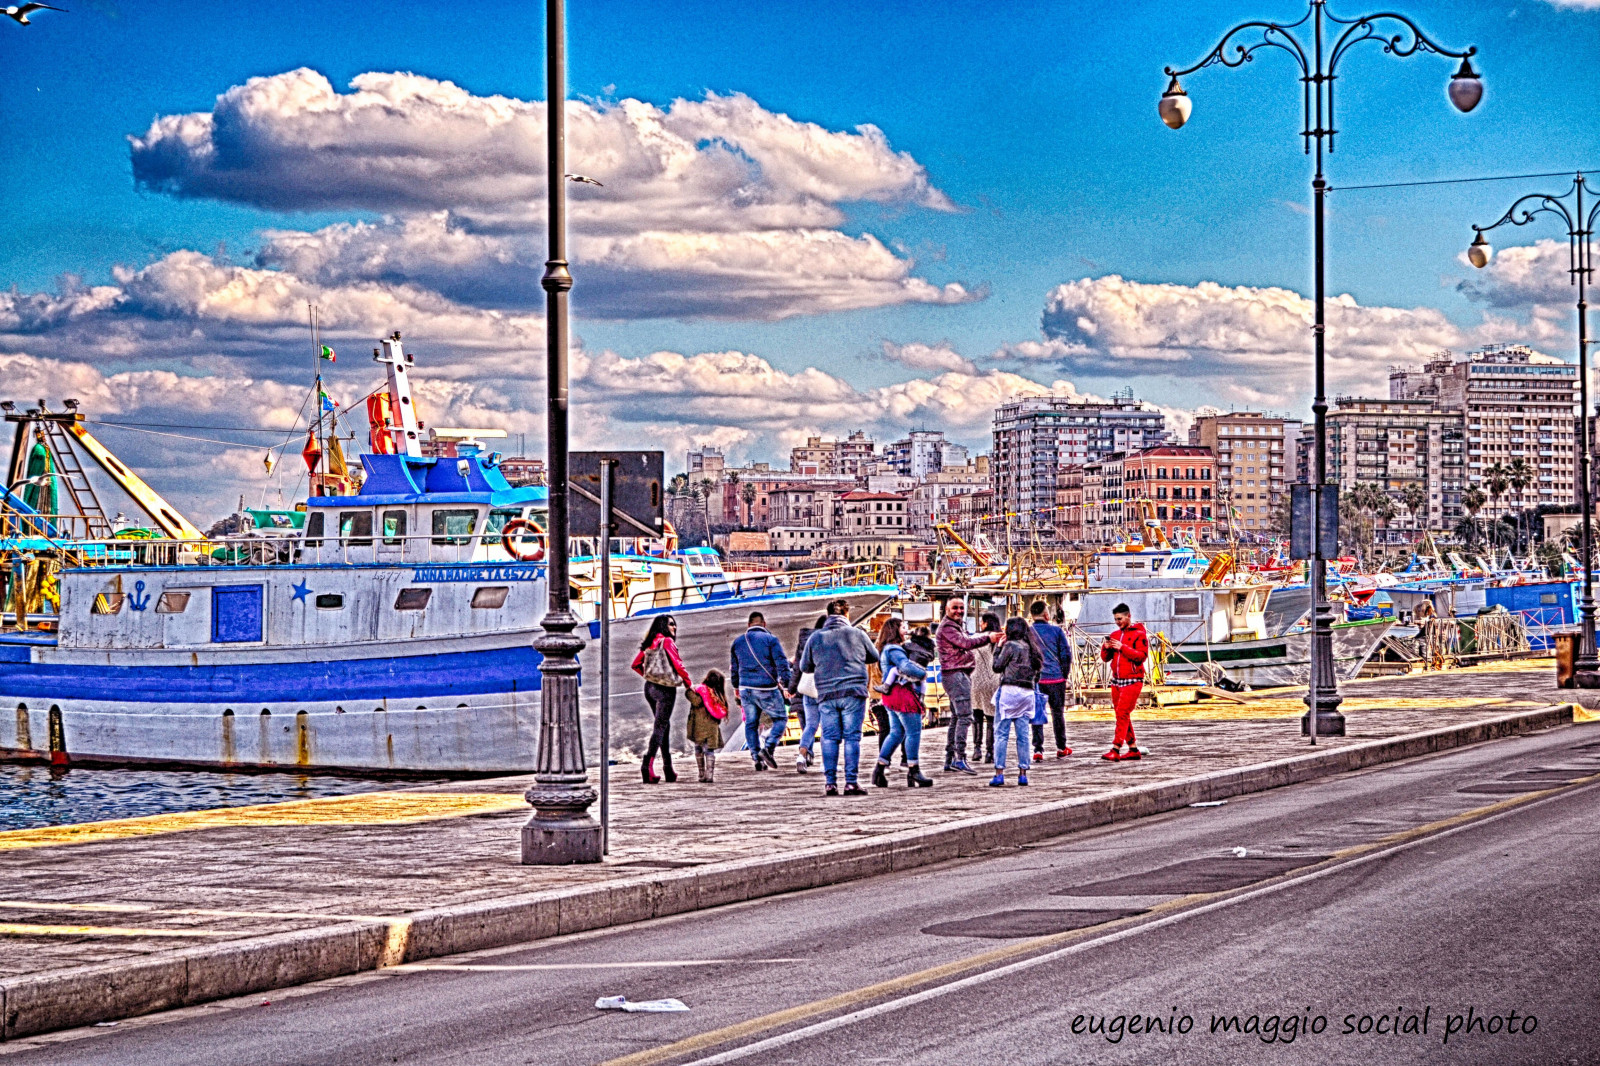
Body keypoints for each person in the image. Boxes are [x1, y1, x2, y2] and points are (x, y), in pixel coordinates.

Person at [798, 598, 880, 796]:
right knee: (852, 737)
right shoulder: (858, 634)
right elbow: (874, 656)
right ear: (847, 614)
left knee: (829, 737)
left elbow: (804, 667)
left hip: (826, 693)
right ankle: (851, 782)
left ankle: (830, 783)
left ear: (827, 616)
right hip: (853, 691)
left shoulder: (815, 638)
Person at [937, 599, 1000, 775]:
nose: (959, 611)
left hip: (956, 675)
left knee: (957, 717)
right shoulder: (949, 628)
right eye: (955, 608)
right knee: (965, 716)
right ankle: (960, 758)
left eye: (961, 608)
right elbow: (965, 643)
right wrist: (988, 637)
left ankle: (950, 759)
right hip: (956, 674)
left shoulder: (955, 626)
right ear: (947, 610)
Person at [630, 614, 695, 783]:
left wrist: (649, 676)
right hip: (665, 689)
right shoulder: (666, 641)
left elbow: (636, 664)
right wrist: (689, 684)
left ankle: (668, 769)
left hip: (649, 687)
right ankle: (647, 764)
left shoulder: (650, 643)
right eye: (671, 624)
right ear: (664, 627)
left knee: (663, 725)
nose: (675, 627)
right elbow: (678, 664)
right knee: (661, 726)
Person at [871, 619, 933, 789]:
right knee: (913, 732)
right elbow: (906, 666)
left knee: (896, 733)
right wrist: (922, 674)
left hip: (890, 696)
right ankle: (914, 769)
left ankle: (880, 769)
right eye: (902, 627)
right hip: (902, 694)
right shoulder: (895, 649)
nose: (906, 631)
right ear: (894, 630)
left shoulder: (885, 649)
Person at [730, 611, 792, 772]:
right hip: (766, 688)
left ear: (748, 625)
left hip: (745, 688)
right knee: (780, 718)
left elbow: (734, 669)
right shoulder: (771, 640)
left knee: (751, 723)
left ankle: (756, 757)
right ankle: (768, 748)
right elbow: (782, 663)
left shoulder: (737, 642)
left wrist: (736, 687)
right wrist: (786, 685)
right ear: (764, 624)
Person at [990, 617, 1041, 787]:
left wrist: (998, 648)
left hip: (1009, 692)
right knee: (1023, 735)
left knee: (1001, 733)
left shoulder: (1010, 646)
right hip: (1027, 694)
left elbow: (997, 666)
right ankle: (1023, 773)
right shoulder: (1031, 648)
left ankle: (999, 773)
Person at [1100, 603, 1149, 761]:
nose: (1117, 622)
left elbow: (1141, 656)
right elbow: (1105, 658)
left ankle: (1116, 748)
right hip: (1117, 680)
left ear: (1129, 616)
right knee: (1121, 714)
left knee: (1122, 713)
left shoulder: (1139, 634)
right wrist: (1106, 647)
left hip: (1133, 679)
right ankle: (1133, 749)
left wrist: (1122, 647)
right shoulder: (1114, 634)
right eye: (1115, 619)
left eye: (1120, 619)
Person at [1029, 600, 1074, 759]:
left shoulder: (1028, 632)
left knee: (1036, 714)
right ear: (1047, 615)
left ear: (1032, 615)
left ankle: (1038, 750)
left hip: (1035, 680)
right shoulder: (1057, 631)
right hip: (1056, 679)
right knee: (1057, 713)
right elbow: (1066, 655)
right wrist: (1064, 675)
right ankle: (1061, 747)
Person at [788, 614, 826, 773]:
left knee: (810, 725)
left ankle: (801, 757)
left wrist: (792, 688)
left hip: (808, 688)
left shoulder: (805, 641)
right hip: (825, 687)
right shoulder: (828, 639)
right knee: (828, 728)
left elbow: (797, 667)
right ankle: (827, 763)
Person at [969, 612, 1002, 764]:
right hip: (994, 681)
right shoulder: (1000, 638)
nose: (980, 625)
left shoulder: (975, 638)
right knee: (991, 717)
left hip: (975, 680)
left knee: (976, 715)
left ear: (986, 623)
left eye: (982, 622)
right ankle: (990, 752)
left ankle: (977, 750)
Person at [685, 669, 729, 783]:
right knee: (709, 751)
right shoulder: (718, 696)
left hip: (698, 729)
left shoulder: (701, 692)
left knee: (698, 748)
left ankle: (701, 772)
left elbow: (696, 701)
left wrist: (689, 690)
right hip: (712, 730)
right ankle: (709, 774)